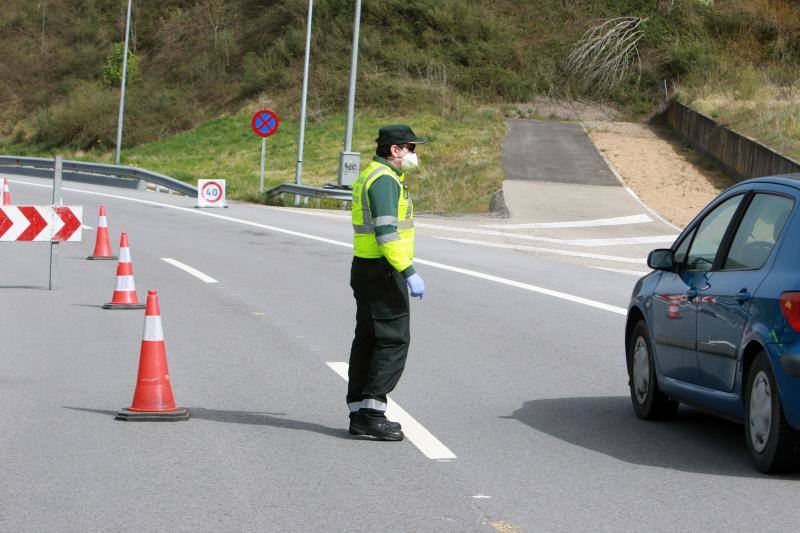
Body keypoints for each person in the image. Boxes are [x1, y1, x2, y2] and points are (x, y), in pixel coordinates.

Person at [346, 124, 427, 441]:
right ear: (395, 150)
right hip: (383, 269)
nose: (414, 154)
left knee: (368, 339)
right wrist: (408, 272)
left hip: (367, 267)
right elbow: (386, 233)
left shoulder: (374, 175)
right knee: (392, 339)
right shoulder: (384, 181)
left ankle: (360, 410)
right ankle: (371, 414)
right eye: (411, 148)